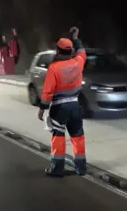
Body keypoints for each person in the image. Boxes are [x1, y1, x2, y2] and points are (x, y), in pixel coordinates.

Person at [38, 27, 87, 177]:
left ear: (58, 51)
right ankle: (81, 169)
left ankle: (57, 169)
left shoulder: (54, 68)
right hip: (75, 105)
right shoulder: (78, 62)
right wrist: (76, 38)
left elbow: (48, 92)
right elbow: (82, 51)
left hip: (60, 108)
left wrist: (42, 109)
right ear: (70, 51)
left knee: (58, 139)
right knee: (78, 137)